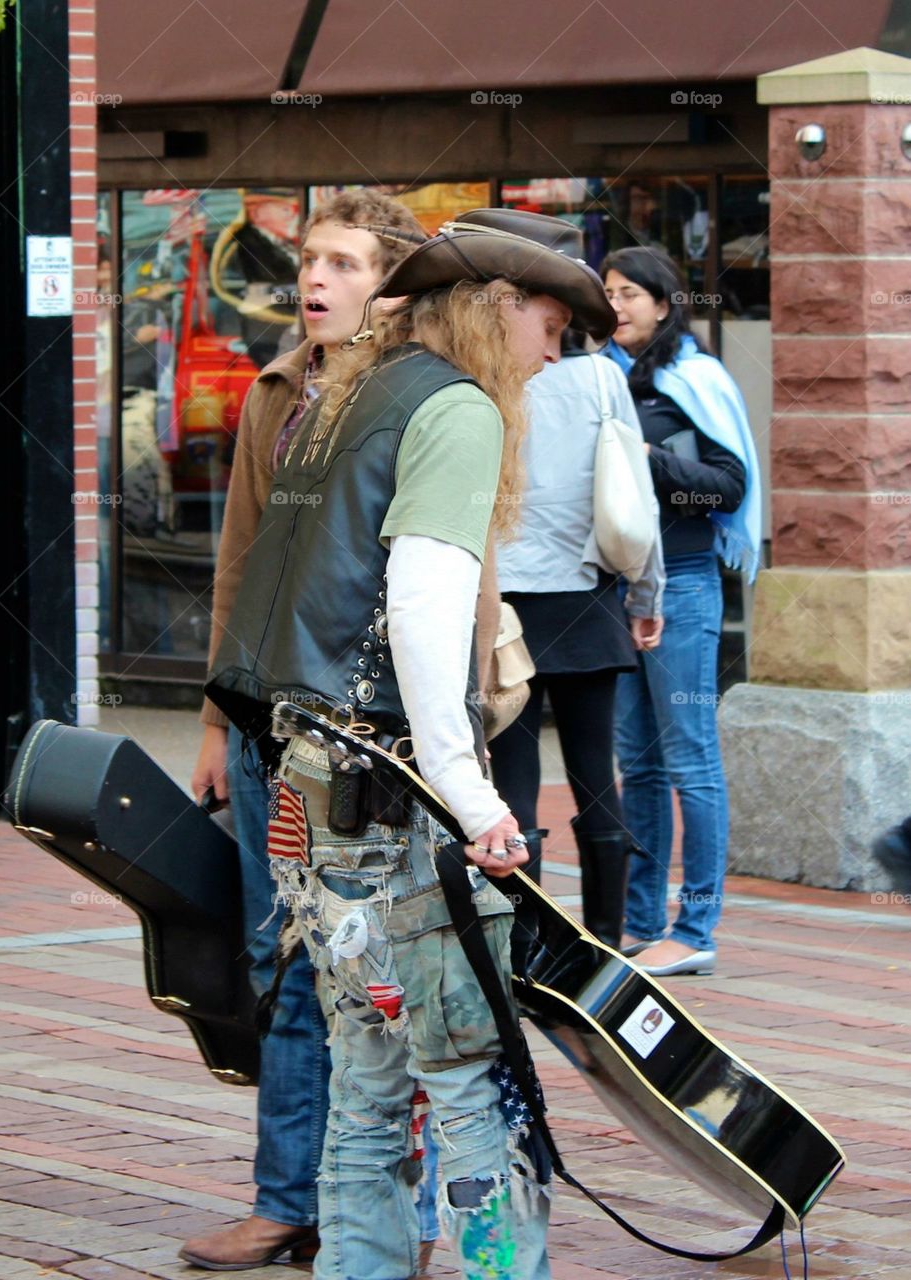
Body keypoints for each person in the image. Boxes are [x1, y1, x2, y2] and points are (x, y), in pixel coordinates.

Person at [205, 208, 616, 1280]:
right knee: (468, 1078)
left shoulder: (352, 390)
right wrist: (473, 798)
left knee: (369, 1081)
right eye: (548, 318)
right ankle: (494, 1270)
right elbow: (428, 613)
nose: (555, 344)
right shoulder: (456, 408)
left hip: (311, 788)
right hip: (389, 802)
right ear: (496, 310)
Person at [183, 191, 440, 1273]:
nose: (314, 278)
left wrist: (444, 738)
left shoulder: (424, 399)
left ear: (389, 286)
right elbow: (237, 562)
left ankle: (398, 1209)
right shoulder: (274, 390)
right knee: (279, 961)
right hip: (264, 724)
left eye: (341, 261)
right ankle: (287, 1198)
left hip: (371, 732)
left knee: (382, 972)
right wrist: (212, 718)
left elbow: (447, 581)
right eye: (308, 259)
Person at [603, 246, 761, 978]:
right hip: (622, 591)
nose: (617, 305)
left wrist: (646, 457)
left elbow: (726, 488)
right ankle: (639, 924)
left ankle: (696, 927)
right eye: (608, 292)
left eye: (632, 293)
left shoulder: (693, 381)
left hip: (687, 585)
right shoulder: (606, 378)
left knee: (690, 761)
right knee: (636, 765)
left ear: (665, 304)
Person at [488, 332, 664, 956]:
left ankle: (525, 948)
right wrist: (646, 596)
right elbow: (632, 495)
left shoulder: (487, 368)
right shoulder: (601, 376)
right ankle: (607, 946)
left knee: (512, 778)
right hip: (585, 597)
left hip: (501, 605)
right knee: (596, 777)